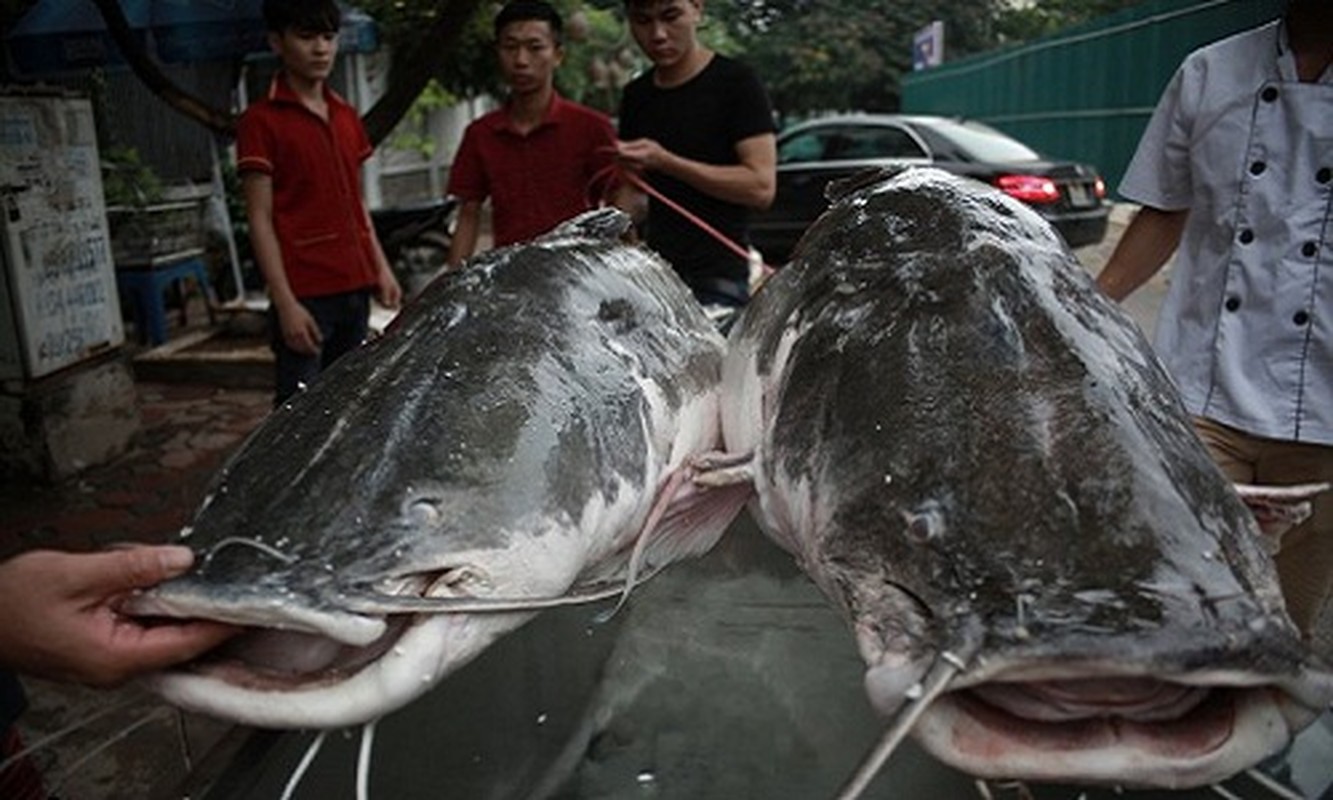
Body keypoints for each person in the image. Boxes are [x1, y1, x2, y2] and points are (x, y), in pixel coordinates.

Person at [1095, 0, 1333, 642]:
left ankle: (1262, 737)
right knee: (1187, 594)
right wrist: (1089, 304)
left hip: (1327, 420)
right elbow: (1165, 208)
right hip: (1202, 391)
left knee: (1287, 617)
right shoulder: (1211, 71)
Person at [237, 0, 401, 406]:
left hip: (354, 288)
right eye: (306, 37)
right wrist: (285, 302)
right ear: (277, 42)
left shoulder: (346, 115)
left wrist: (381, 267)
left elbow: (358, 203)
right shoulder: (261, 121)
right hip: (305, 292)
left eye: (328, 37)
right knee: (298, 413)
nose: (321, 49)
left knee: (349, 406)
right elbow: (259, 219)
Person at [614, 0, 777, 308]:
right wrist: (613, 224)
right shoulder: (636, 95)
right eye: (643, 21)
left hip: (719, 277)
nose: (658, 34)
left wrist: (666, 162)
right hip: (654, 279)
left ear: (697, 9)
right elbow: (635, 192)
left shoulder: (737, 83)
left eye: (670, 16)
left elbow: (761, 187)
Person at [445, 0, 618, 267]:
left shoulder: (592, 128)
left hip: (580, 278)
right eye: (510, 47)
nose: (521, 60)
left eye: (535, 48)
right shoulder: (481, 134)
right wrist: (452, 283)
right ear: (498, 52)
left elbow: (619, 204)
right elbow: (469, 214)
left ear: (558, 55)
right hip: (511, 279)